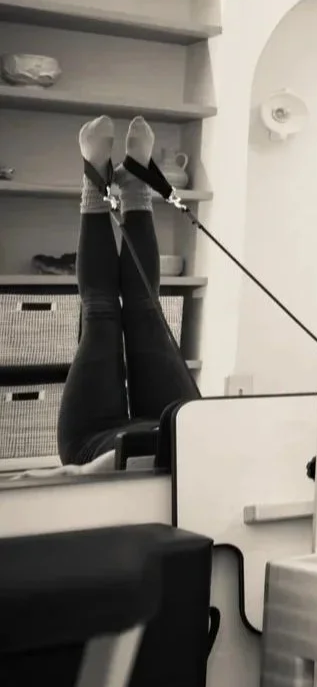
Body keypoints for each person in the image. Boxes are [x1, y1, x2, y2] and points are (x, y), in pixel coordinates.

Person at [42, 115, 201, 474]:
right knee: (144, 309)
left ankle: (95, 182)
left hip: (92, 443)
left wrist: (82, 473)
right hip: (178, 437)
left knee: (101, 312)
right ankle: (135, 185)